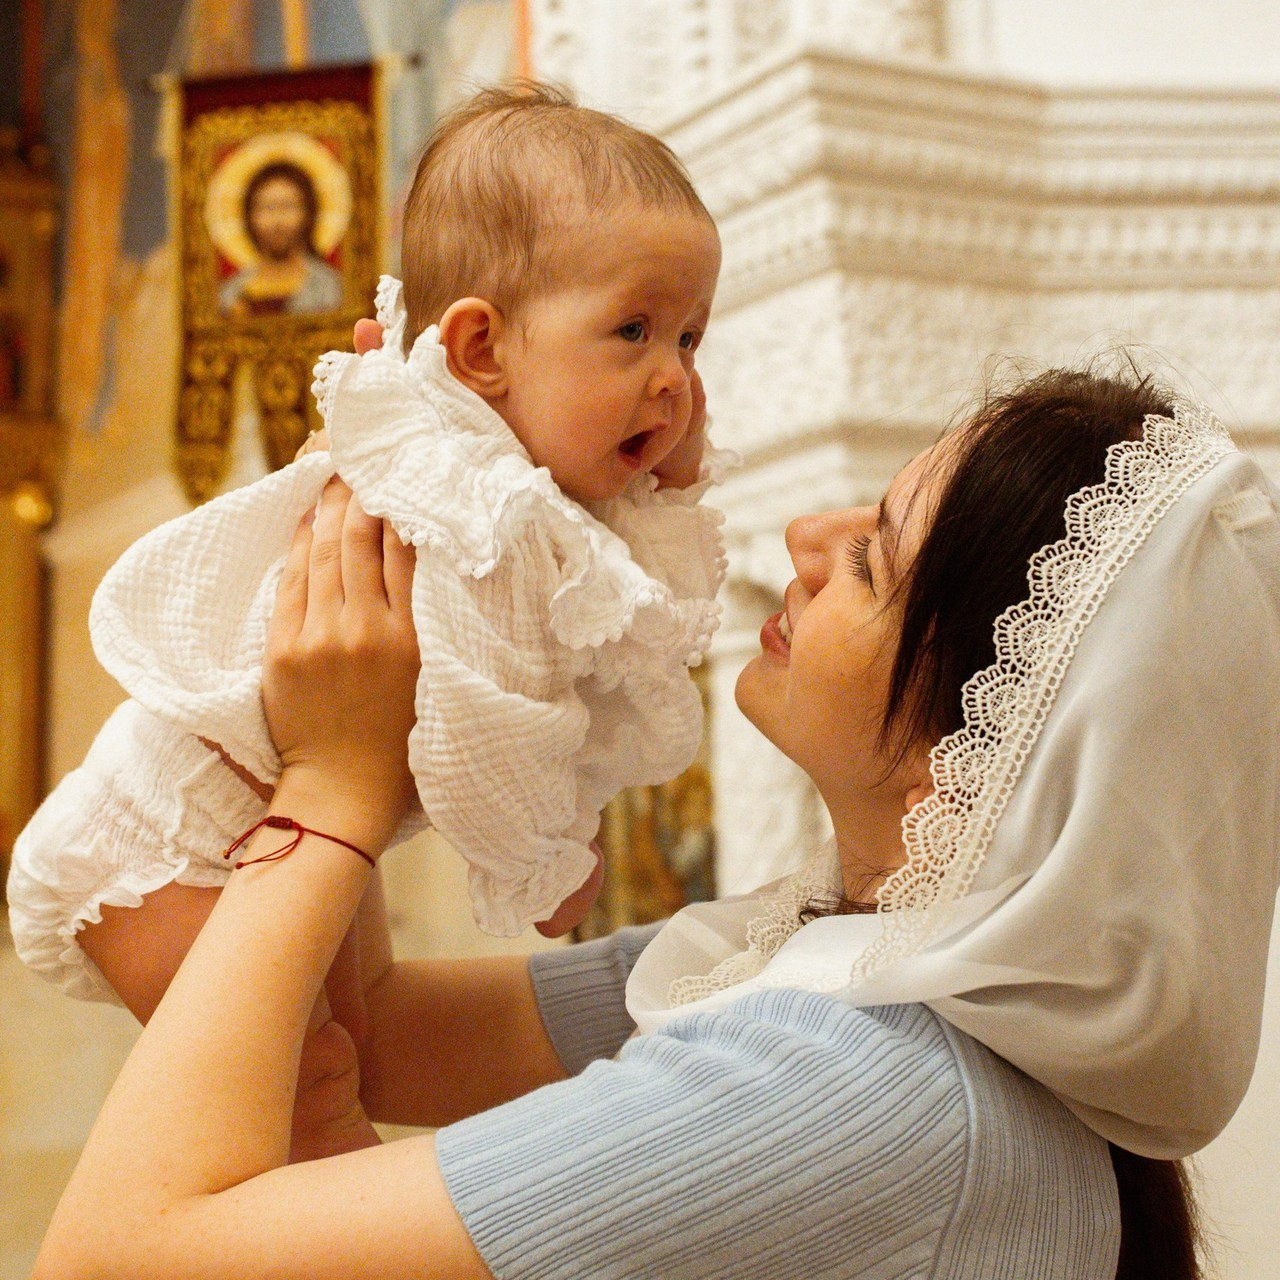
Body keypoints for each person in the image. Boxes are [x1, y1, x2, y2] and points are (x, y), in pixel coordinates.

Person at [32, 360, 1280, 1279]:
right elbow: (378, 1028)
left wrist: (332, 787)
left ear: (967, 758)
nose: (806, 536)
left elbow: (114, 1257)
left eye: (870, 558)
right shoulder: (830, 968)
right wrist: (418, 606)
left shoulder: (864, 1086)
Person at [8, 85, 725, 1161]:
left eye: (688, 337)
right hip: (161, 851)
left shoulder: (500, 473)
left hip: (250, 833)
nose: (671, 377)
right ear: (479, 350)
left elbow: (642, 602)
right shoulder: (468, 507)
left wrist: (669, 477)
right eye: (632, 330)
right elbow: (486, 720)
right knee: (316, 1111)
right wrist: (543, 861)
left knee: (351, 1059)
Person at [218, 160, 344, 316]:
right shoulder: (231, 294)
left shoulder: (330, 288)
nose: (277, 221)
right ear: (249, 217)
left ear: (308, 214)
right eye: (267, 207)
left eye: (288, 206)